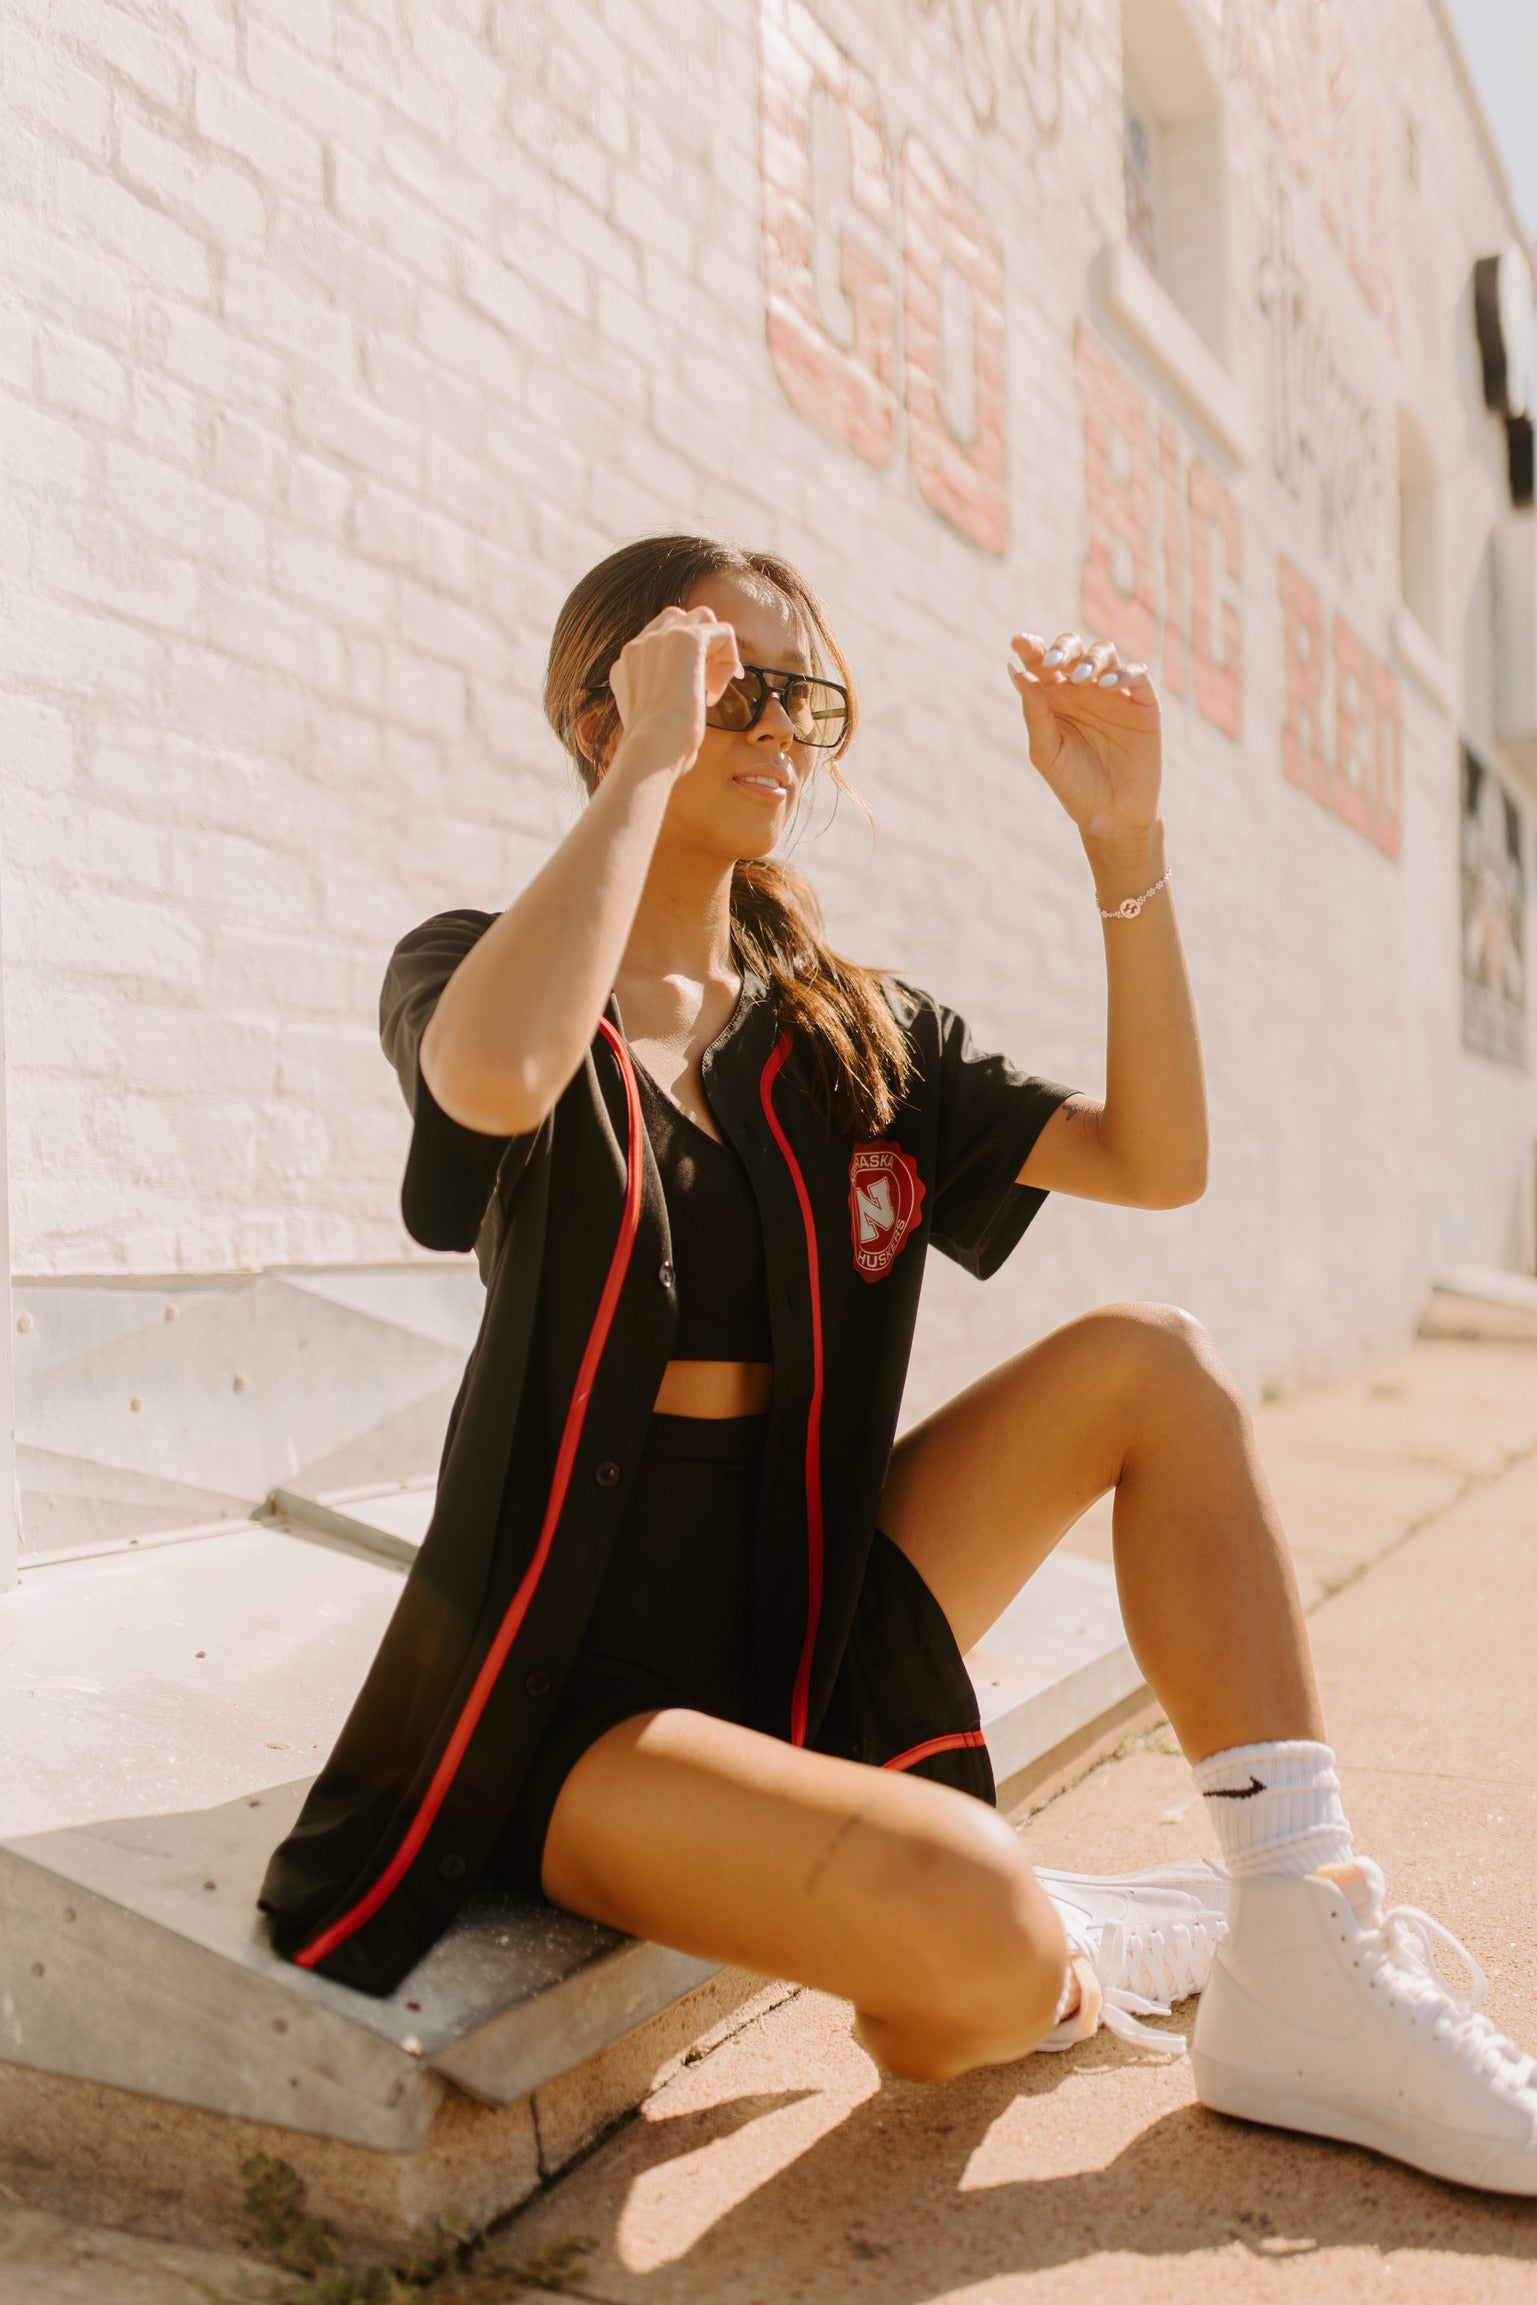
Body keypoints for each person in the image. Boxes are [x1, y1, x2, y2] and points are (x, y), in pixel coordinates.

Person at [260, 536, 1537, 2193]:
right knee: (982, 1946)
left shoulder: (848, 1027)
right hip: (581, 1703)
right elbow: (498, 1077)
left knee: (1153, 1360)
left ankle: (1295, 1930)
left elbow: (1154, 1159)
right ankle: (1054, 1938)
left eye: (811, 694)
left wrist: (1123, 847)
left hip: (808, 1615)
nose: (785, 725)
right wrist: (650, 759)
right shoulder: (486, 965)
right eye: (738, 683)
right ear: (608, 704)